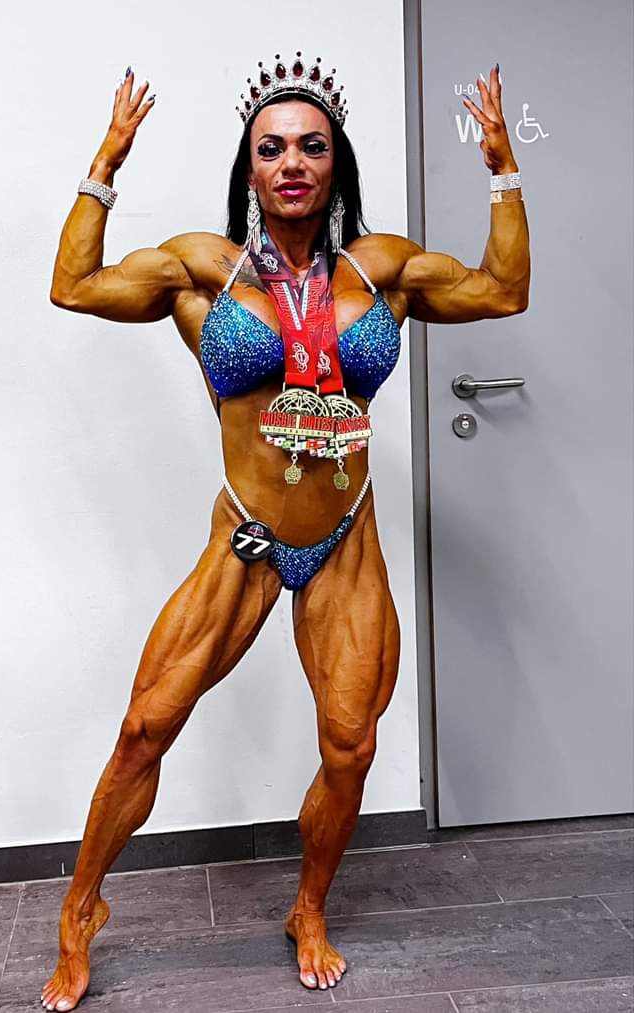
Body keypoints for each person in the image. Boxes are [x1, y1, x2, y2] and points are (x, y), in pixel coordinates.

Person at [41, 55, 529, 1012]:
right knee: (145, 728)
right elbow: (73, 285)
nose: (292, 163)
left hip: (345, 535)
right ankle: (79, 911)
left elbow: (501, 290)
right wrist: (106, 162)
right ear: (250, 167)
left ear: (336, 162)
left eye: (311, 146)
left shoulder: (382, 269)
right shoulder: (202, 268)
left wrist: (502, 168)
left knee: (350, 745)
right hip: (248, 535)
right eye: (272, 150)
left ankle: (308, 907)